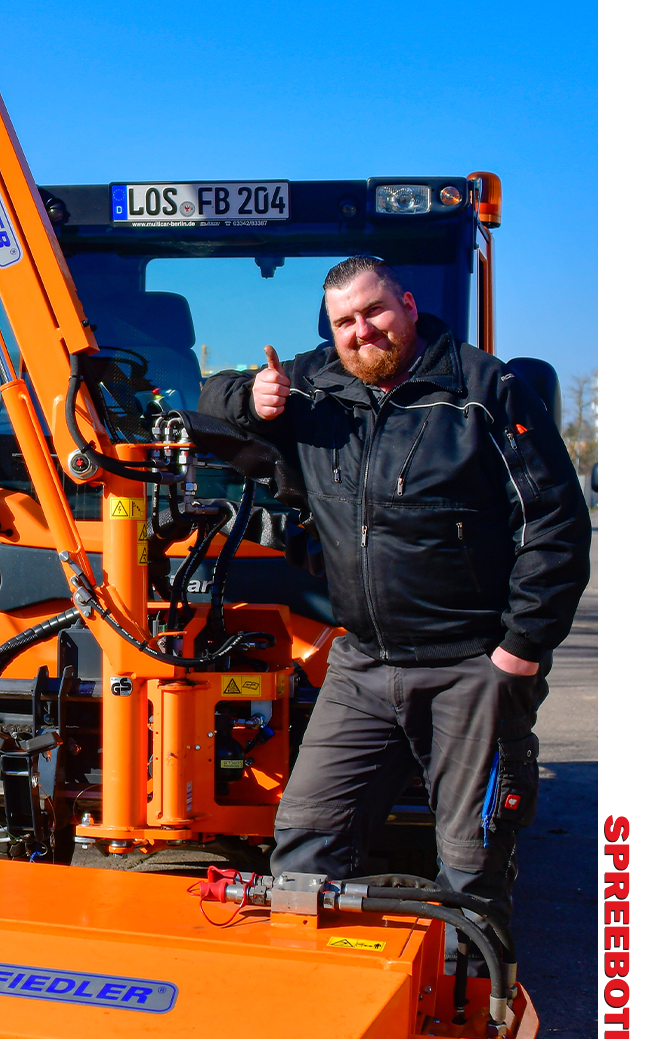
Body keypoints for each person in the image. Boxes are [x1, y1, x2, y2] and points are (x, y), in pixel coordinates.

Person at [198, 255, 592, 935]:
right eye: (344, 321)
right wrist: (250, 398)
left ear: (408, 305)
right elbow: (210, 399)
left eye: (374, 310)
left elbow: (554, 525)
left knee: (470, 864)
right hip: (362, 665)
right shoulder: (316, 387)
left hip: (471, 667)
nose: (362, 330)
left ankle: (471, 991)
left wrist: (520, 650)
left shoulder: (483, 391)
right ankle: (321, 987)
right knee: (305, 841)